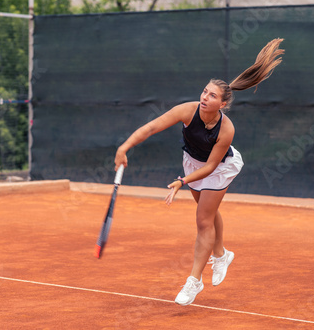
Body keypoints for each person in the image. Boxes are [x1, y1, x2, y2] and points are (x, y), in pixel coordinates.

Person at [114, 38, 284, 306]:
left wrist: (182, 181)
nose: (205, 97)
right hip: (193, 163)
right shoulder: (186, 110)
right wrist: (124, 147)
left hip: (218, 169)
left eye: (212, 96)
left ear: (223, 104)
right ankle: (222, 254)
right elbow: (150, 128)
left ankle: (194, 281)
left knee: (203, 220)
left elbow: (211, 167)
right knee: (209, 211)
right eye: (205, 92)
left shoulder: (226, 130)